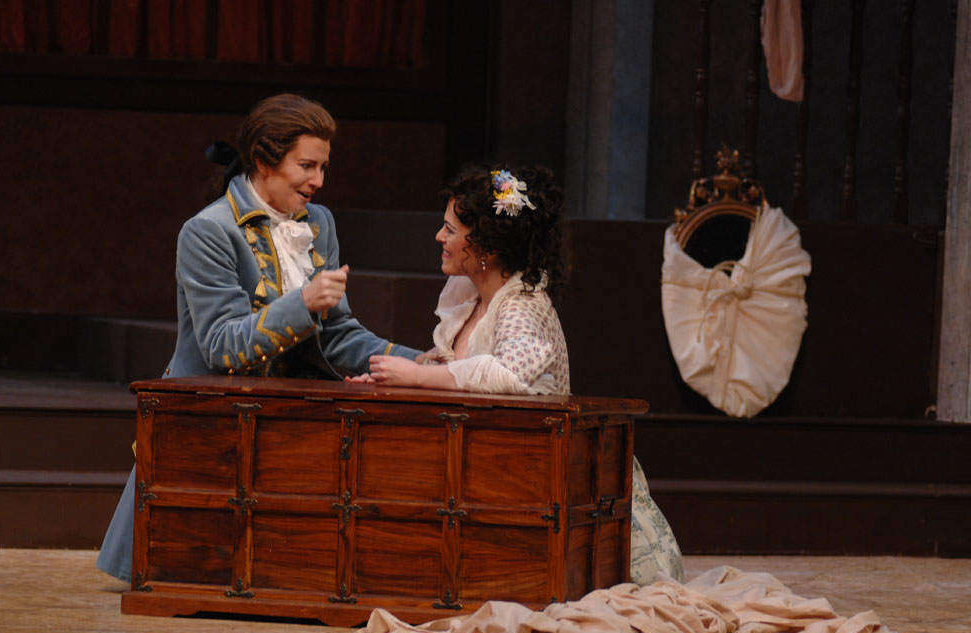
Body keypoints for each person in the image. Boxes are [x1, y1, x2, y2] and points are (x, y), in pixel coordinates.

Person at [96, 93, 420, 582]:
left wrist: (422, 362)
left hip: (284, 420)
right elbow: (222, 346)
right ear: (266, 161)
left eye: (323, 167)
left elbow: (337, 335)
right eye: (306, 166)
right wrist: (303, 302)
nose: (318, 180)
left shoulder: (319, 223)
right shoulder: (208, 231)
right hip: (211, 419)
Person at [352, 164, 684, 584]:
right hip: (489, 471)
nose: (439, 237)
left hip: (538, 478)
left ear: (486, 247)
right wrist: (391, 379)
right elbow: (457, 371)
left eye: (450, 230)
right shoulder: (471, 298)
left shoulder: (521, 304)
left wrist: (418, 377)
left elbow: (508, 374)